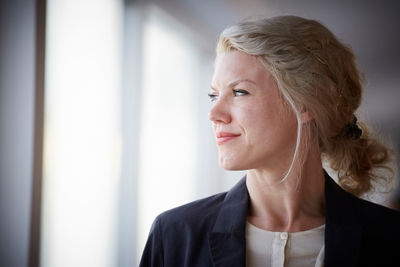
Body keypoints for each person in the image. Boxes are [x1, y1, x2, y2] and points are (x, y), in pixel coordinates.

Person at [139, 15, 400, 267]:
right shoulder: (174, 235)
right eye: (213, 95)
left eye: (239, 92)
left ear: (305, 102)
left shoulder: (390, 238)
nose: (214, 113)